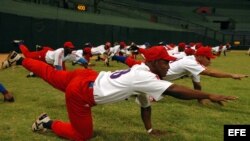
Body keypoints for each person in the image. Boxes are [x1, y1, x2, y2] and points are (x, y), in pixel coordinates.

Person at [4, 46, 237, 140]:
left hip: (87, 77)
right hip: (82, 92)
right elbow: (176, 90)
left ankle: (21, 59)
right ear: (155, 62)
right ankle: (46, 123)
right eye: (166, 63)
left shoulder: (143, 72)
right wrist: (208, 95)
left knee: (51, 75)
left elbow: (146, 105)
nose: (169, 66)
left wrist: (149, 129)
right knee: (82, 135)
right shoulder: (145, 76)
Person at [112, 46, 248, 104]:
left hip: (158, 74)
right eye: (208, 58)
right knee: (133, 77)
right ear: (200, 56)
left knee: (134, 69)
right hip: (157, 74)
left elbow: (197, 84)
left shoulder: (194, 65)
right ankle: (114, 59)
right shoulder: (192, 63)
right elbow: (210, 73)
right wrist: (231, 75)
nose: (210, 61)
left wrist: (200, 99)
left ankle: (116, 61)